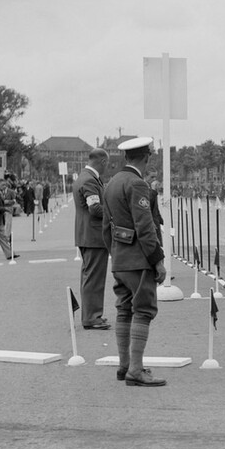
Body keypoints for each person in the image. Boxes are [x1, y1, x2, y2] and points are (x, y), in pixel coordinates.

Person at [103, 137, 167, 387]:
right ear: (146, 157)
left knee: (124, 309)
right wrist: (157, 260)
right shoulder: (137, 184)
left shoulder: (111, 183)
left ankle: (125, 365)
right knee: (143, 310)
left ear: (127, 157)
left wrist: (115, 253)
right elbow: (145, 227)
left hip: (120, 258)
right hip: (138, 260)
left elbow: (106, 228)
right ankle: (136, 369)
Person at [74, 148, 111, 331]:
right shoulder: (89, 180)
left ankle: (90, 315)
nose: (107, 167)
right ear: (102, 161)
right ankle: (92, 317)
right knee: (94, 278)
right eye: (107, 164)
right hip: (94, 236)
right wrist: (115, 213)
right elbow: (95, 208)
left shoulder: (84, 177)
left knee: (89, 276)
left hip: (87, 235)